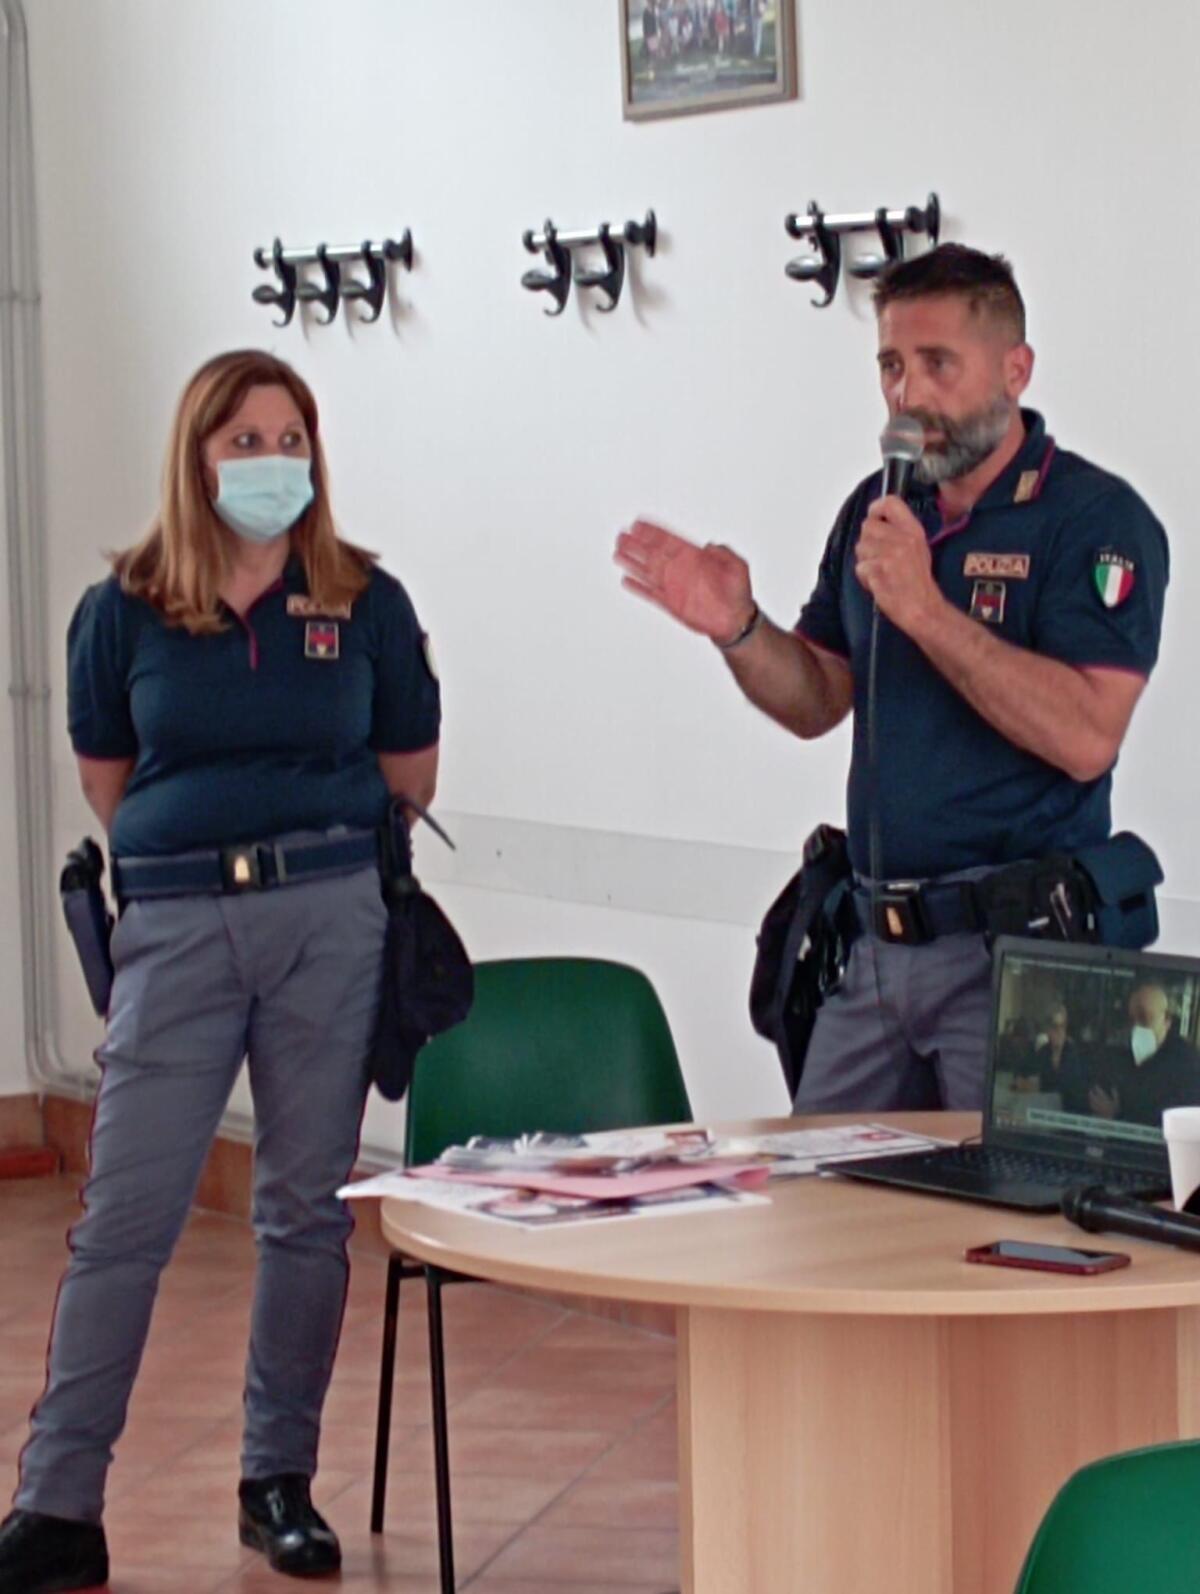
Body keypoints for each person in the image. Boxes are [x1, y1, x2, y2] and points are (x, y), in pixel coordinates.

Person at [0, 349, 441, 1594]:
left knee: (303, 1211)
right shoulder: (125, 607)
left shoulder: (365, 600)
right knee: (124, 1217)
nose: (270, 462)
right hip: (182, 927)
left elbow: (413, 772)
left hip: (331, 918)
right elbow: (111, 782)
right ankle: (59, 1503)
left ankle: (277, 1484)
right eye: (243, 440)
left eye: (289, 436)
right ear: (198, 457)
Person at [614, 243, 1168, 1114]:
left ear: (1015, 369)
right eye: (891, 366)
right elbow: (818, 699)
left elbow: (1086, 735)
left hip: (1018, 961)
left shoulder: (1095, 522)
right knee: (817, 1211)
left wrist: (925, 608)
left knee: (1006, 1235)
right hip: (873, 948)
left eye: (937, 364)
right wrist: (741, 630)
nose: (907, 396)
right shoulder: (879, 508)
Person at [1089, 982, 1200, 1126]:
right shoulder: (1119, 1054)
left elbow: (1179, 1123)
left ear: (1167, 1020)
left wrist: (1118, 1116)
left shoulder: (1188, 1066)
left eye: (1144, 1018)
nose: (1136, 1027)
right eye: (1131, 1019)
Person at [1012, 1002, 1092, 1116]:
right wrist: (1022, 1082)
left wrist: (1040, 1086)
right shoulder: (1043, 1052)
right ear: (1048, 1029)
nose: (1059, 1031)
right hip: (1046, 1114)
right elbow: (1019, 1072)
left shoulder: (1076, 1054)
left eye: (1063, 1026)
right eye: (1055, 1026)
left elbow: (1070, 1088)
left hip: (1071, 1116)